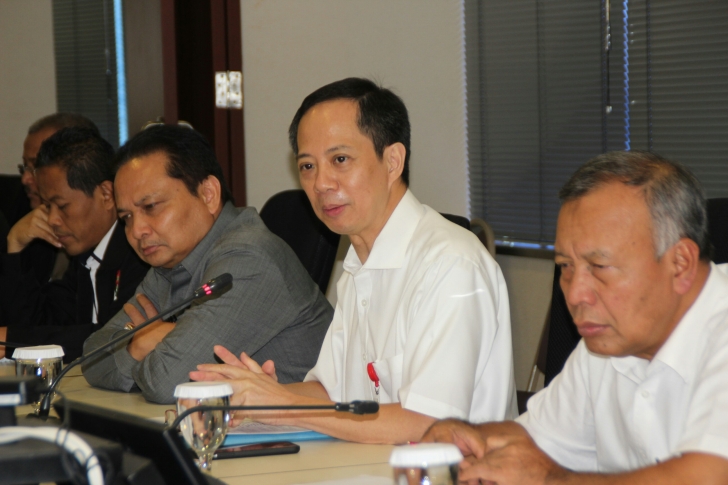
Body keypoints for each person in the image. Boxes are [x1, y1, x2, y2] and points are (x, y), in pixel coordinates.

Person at [190, 78, 517, 444]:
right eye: (307, 166)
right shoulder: (357, 266)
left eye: (340, 160)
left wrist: (284, 406)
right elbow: (333, 394)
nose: (320, 183)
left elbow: (428, 424)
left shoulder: (452, 265)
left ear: (392, 161)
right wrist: (257, 395)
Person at [423, 151, 728, 484]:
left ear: (680, 263)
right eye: (566, 266)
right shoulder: (609, 339)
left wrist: (550, 479)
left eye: (599, 266)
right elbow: (538, 439)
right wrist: (468, 439)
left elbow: (708, 477)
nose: (575, 294)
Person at [81, 125, 333, 403]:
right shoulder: (169, 265)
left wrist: (144, 346)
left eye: (151, 206)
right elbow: (92, 360)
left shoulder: (249, 258)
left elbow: (166, 383)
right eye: (126, 217)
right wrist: (139, 345)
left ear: (208, 194)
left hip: (302, 428)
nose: (137, 230)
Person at [0, 127, 149, 362]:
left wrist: (14, 339)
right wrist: (15, 246)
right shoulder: (86, 258)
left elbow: (114, 337)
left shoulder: (139, 252)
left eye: (62, 206)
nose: (52, 220)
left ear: (106, 194)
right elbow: (40, 323)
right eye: (47, 206)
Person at [5, 113, 101, 285]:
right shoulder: (27, 217)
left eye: (37, 166)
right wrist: (14, 245)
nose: (25, 179)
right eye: (25, 167)